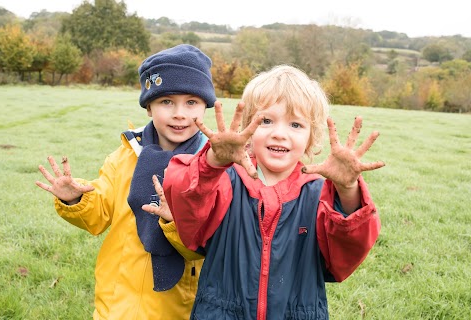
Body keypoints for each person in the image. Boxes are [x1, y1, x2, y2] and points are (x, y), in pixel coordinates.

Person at [160, 65, 385, 319]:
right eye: (266, 121)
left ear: (312, 137)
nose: (279, 134)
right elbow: (185, 201)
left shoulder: (318, 194)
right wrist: (212, 161)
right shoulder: (225, 180)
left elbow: (347, 252)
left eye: (296, 125)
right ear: (248, 130)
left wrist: (348, 189)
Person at [35, 44, 217, 320]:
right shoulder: (125, 156)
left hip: (175, 304)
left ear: (205, 106)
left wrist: (173, 220)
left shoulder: (211, 165)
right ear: (148, 107)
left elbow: (205, 241)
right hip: (116, 299)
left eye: (191, 102)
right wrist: (74, 198)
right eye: (166, 101)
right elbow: (100, 212)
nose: (179, 113)